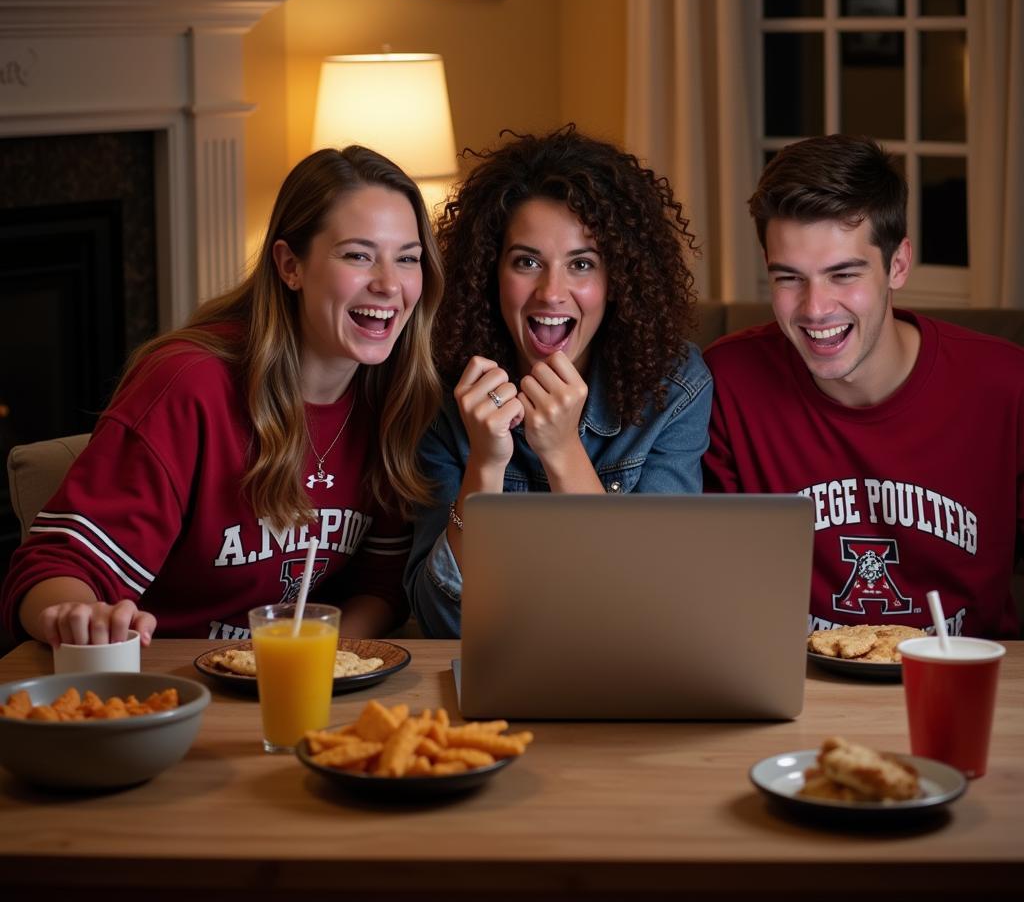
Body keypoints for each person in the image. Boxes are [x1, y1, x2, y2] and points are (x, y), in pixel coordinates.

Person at [1, 146, 443, 647]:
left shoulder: (396, 396)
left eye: (408, 258)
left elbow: (380, 587)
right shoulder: (189, 384)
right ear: (289, 265)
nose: (389, 284)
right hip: (167, 685)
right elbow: (54, 567)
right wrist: (78, 619)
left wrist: (311, 658)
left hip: (295, 689)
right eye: (358, 255)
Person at [702, 133, 1024, 639]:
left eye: (843, 274)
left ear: (897, 265)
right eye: (789, 279)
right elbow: (702, 584)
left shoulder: (1008, 387)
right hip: (797, 695)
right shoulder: (727, 383)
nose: (815, 308)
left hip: (968, 690)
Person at [405, 126, 712, 637]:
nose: (552, 292)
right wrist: (485, 463)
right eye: (527, 262)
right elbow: (442, 621)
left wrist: (563, 450)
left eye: (581, 265)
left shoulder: (674, 388)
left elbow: (650, 611)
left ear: (617, 282)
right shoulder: (440, 388)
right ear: (490, 273)